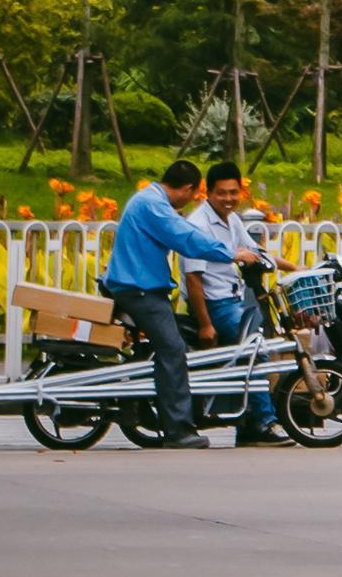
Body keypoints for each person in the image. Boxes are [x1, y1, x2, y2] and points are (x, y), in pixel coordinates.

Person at [98, 159, 238, 445]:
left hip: (140, 288)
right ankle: (178, 431)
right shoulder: (153, 206)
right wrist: (231, 253)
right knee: (173, 351)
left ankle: (166, 411)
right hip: (139, 291)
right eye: (193, 194)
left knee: (174, 343)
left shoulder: (148, 199)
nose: (191, 201)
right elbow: (184, 237)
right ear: (186, 189)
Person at [183, 162, 278, 444]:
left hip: (232, 300)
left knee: (250, 352)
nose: (228, 199)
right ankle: (262, 423)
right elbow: (193, 279)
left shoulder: (232, 219)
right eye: (222, 193)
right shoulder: (198, 226)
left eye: (233, 193)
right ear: (207, 193)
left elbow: (255, 251)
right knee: (255, 349)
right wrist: (205, 325)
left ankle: (247, 422)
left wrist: (293, 266)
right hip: (216, 305)